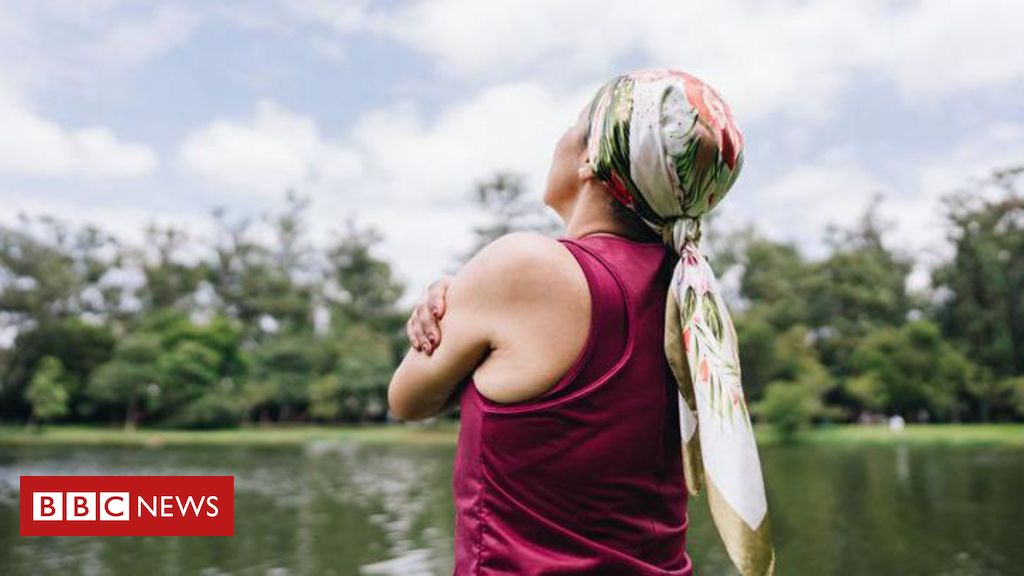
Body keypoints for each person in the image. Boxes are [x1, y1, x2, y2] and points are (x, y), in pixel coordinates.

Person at [388, 69, 775, 575]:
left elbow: (408, 399)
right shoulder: (689, 298)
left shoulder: (526, 267)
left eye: (575, 123)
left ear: (592, 157)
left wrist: (453, 301)